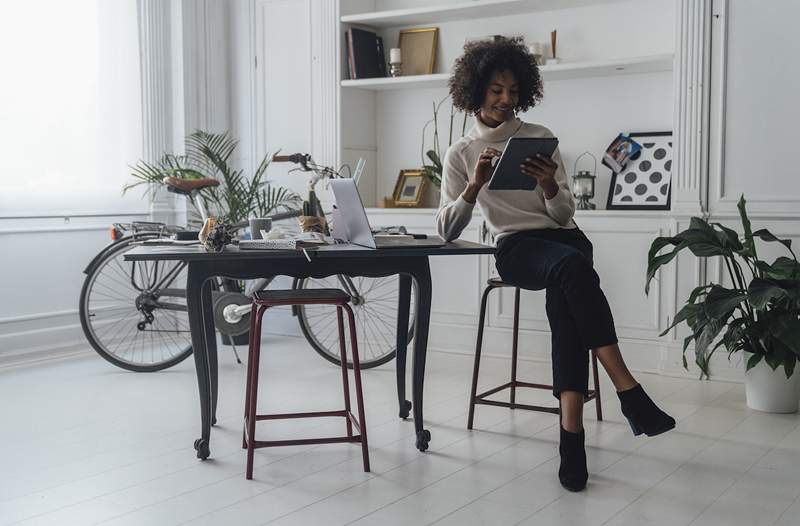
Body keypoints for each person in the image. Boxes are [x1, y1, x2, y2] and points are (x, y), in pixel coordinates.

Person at [436, 37, 675, 492]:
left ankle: (573, 439)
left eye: (512, 90)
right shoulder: (461, 154)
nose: (506, 100)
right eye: (495, 91)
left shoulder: (537, 138)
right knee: (571, 272)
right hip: (516, 248)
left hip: (564, 240)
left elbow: (565, 216)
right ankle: (627, 389)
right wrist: (473, 187)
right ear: (476, 92)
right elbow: (447, 228)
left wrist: (549, 185)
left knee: (570, 285)